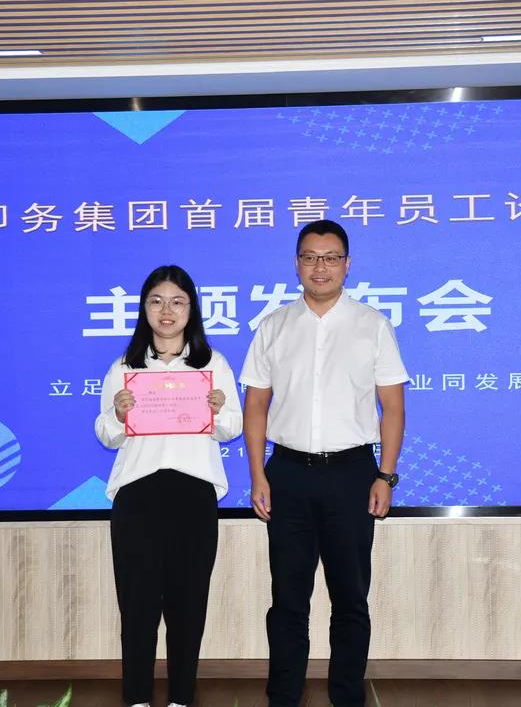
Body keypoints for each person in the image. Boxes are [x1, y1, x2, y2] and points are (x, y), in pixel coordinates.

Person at [239, 220, 408, 707]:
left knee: (350, 598)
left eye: (331, 257)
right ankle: (283, 696)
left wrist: (385, 475)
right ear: (296, 264)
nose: (320, 267)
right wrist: (258, 475)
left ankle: (347, 697)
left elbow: (392, 407)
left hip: (352, 475)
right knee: (288, 600)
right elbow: (256, 406)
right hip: (287, 474)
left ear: (347, 265)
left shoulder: (372, 325)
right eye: (311, 257)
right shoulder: (273, 326)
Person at [95, 264, 242, 707]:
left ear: (191, 309)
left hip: (193, 494)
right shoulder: (125, 367)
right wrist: (119, 414)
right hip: (137, 494)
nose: (167, 311)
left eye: (178, 302)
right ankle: (137, 698)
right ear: (143, 308)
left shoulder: (212, 364)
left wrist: (217, 409)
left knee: (188, 603)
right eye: (157, 301)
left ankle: (181, 698)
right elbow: (105, 433)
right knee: (137, 605)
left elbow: (232, 427)